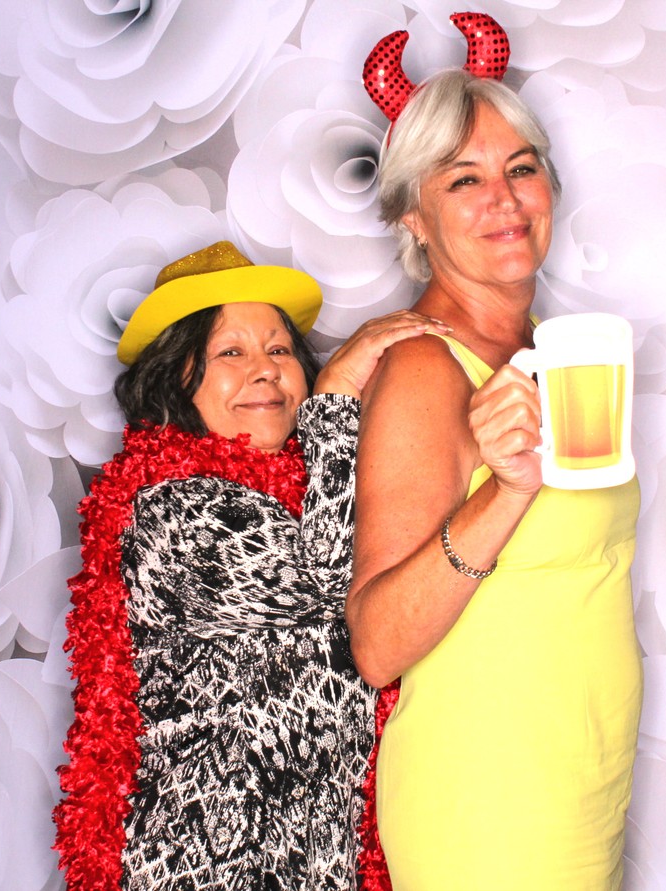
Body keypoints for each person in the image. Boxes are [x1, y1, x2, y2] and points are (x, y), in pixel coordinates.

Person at [348, 16, 643, 891]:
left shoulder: (553, 351)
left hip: (579, 789)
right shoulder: (424, 370)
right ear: (415, 217)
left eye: (521, 168)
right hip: (489, 808)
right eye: (464, 179)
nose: (505, 200)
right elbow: (376, 643)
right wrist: (506, 492)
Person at [52, 240, 448, 891]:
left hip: (320, 864)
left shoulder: (312, 491)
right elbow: (332, 583)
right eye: (230, 353)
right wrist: (336, 396)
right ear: (177, 376)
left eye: (280, 350)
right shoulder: (169, 506)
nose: (264, 370)